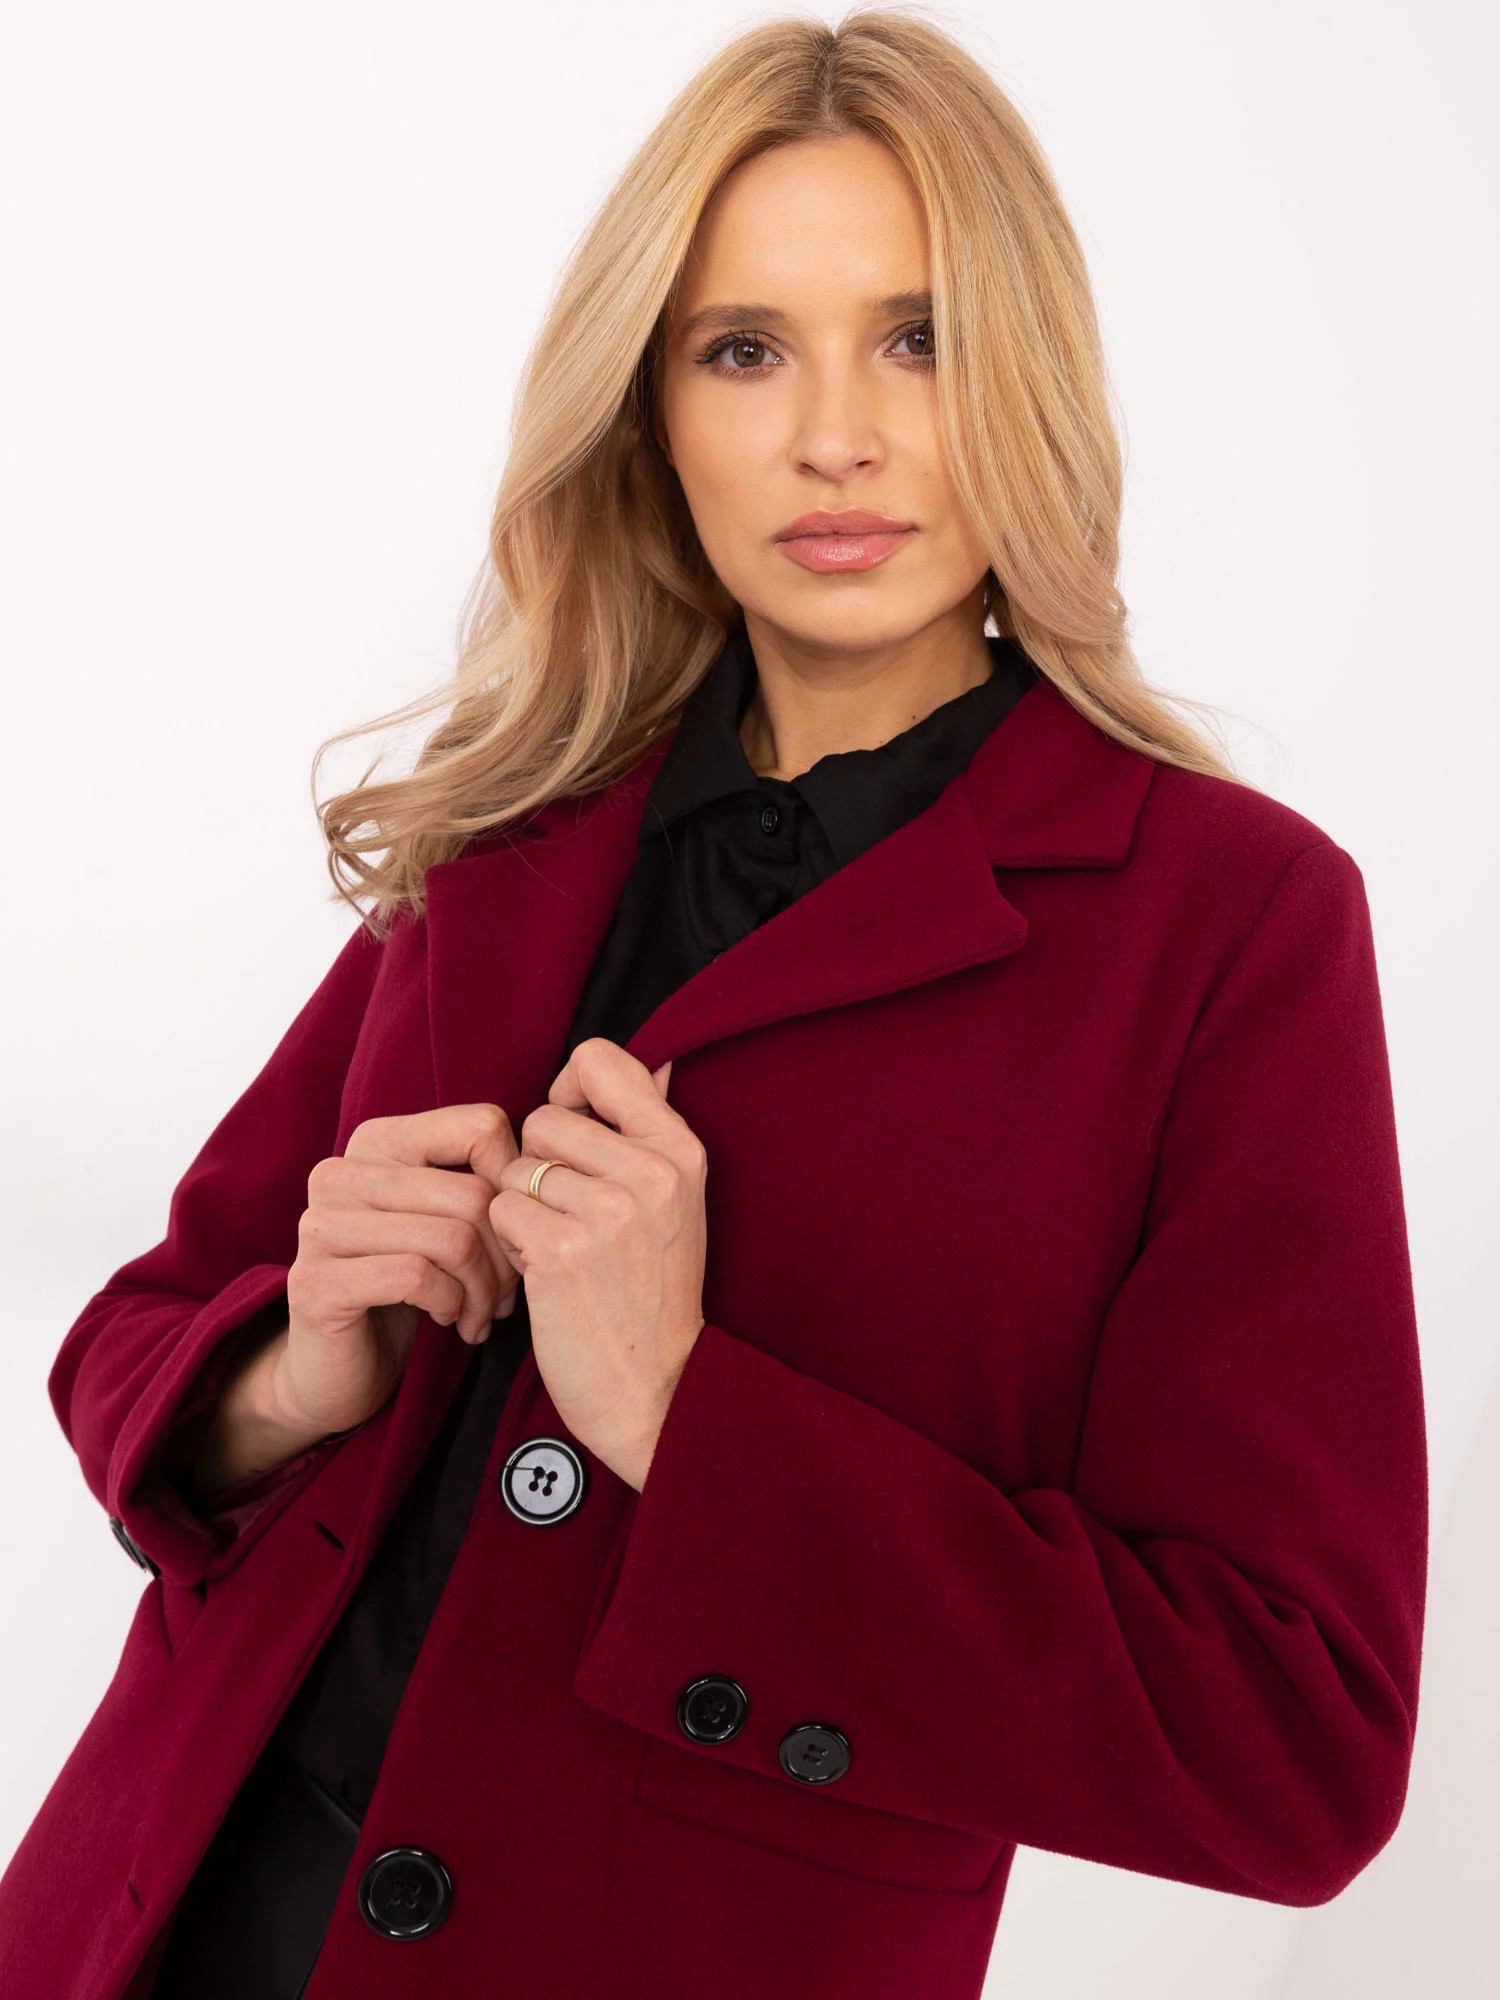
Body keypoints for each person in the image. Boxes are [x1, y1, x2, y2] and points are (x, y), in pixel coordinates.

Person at [0, 11, 1427, 2000]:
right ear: (653, 411)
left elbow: (1293, 1743)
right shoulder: (515, 824)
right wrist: (290, 1378)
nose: (836, 434)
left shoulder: (1230, 926)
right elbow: (133, 1342)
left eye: (918, 338)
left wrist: (689, 1416)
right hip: (139, 1925)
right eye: (744, 349)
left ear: (1031, 378)